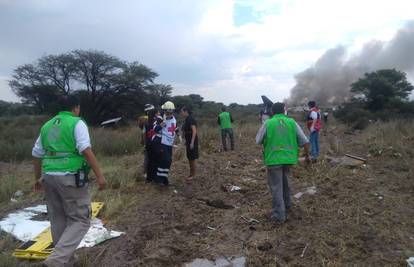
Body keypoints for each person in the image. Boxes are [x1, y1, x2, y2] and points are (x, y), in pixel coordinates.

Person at [32, 95, 106, 267]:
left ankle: (66, 261)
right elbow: (85, 150)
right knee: (80, 220)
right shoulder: (76, 122)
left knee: (58, 219)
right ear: (76, 108)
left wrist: (37, 179)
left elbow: (36, 153)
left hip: (49, 177)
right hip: (69, 177)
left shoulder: (47, 125)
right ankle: (56, 261)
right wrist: (100, 176)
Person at [256, 102, 310, 225]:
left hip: (274, 160)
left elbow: (258, 140)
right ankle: (287, 206)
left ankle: (279, 216)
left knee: (276, 187)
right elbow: (305, 141)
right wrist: (307, 156)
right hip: (289, 160)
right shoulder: (292, 122)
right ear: (284, 110)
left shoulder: (268, 123)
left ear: (272, 112)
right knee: (286, 184)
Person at [154, 101, 177, 186]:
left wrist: (178, 134)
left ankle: (164, 179)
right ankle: (159, 179)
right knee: (166, 160)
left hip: (170, 143)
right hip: (162, 142)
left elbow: (175, 127)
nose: (167, 113)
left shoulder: (174, 119)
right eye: (166, 112)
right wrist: (161, 125)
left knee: (167, 161)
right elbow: (155, 129)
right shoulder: (160, 119)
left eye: (168, 112)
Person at [180, 106, 199, 179]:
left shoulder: (191, 119)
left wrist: (192, 142)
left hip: (192, 141)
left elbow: (194, 131)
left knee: (192, 158)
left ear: (186, 111)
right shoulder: (187, 119)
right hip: (188, 140)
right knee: (189, 157)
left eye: (182, 112)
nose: (181, 113)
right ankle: (191, 174)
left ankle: (193, 175)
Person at [139, 104, 155, 180]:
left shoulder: (145, 119)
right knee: (148, 157)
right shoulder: (145, 120)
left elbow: (143, 133)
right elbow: (143, 133)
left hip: (151, 140)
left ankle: (148, 173)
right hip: (150, 141)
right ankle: (146, 173)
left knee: (149, 157)